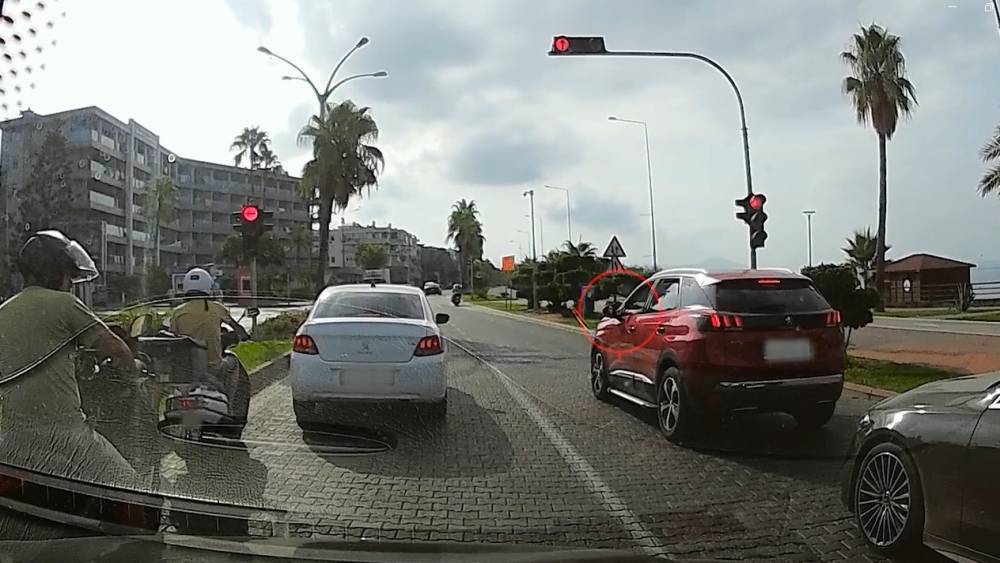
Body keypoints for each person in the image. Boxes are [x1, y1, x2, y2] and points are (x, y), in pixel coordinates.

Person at [0, 230, 138, 486]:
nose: (71, 283)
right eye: (68, 275)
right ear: (55, 272)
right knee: (130, 486)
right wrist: (133, 368)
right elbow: (117, 350)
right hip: (63, 432)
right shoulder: (65, 303)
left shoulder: (4, 310)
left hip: (11, 436)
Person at [170, 268, 248, 388]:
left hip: (186, 369)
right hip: (212, 366)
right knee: (233, 362)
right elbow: (237, 328)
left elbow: (172, 336)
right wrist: (244, 335)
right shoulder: (217, 308)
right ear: (208, 287)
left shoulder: (177, 312)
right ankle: (230, 397)